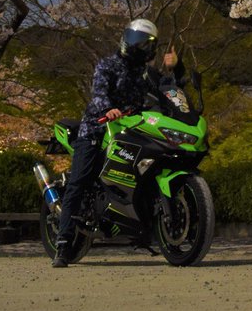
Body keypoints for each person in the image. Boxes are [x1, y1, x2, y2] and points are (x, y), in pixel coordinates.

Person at [51, 18, 172, 268]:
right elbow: (98, 93)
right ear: (126, 39)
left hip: (132, 130)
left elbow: (168, 92)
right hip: (97, 127)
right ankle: (63, 244)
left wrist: (175, 70)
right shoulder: (107, 65)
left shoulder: (146, 73)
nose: (141, 48)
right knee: (79, 181)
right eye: (138, 42)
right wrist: (109, 108)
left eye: (147, 44)